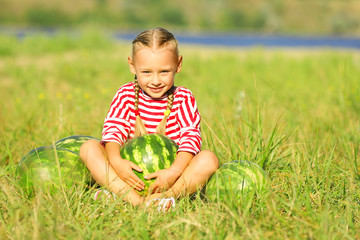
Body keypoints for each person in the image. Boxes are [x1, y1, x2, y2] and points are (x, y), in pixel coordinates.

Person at [80, 27, 219, 211]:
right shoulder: (126, 94)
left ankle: (165, 197)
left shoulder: (183, 97)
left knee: (209, 159)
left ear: (178, 64)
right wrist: (116, 162)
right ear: (132, 65)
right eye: (146, 72)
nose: (155, 81)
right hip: (128, 175)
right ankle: (130, 197)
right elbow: (114, 130)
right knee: (89, 148)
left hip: (170, 178)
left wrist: (173, 172)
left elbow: (190, 138)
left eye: (164, 72)